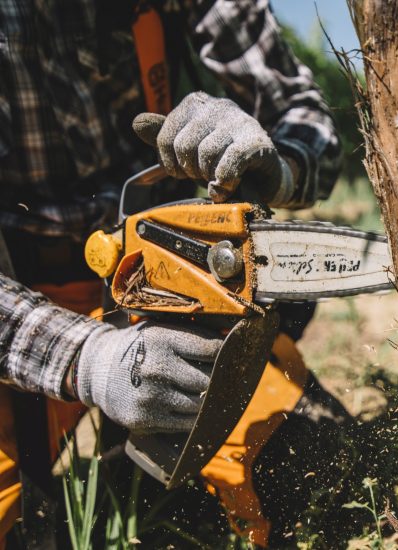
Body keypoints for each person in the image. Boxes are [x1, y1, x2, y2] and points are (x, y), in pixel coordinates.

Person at [0, 0, 346, 546]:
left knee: (292, 472)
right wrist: (88, 358)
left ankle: (131, 473)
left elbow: (303, 111)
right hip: (17, 296)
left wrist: (276, 165)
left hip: (169, 282)